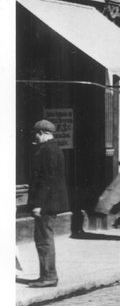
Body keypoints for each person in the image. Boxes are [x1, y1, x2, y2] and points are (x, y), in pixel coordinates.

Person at [25, 119, 69, 288]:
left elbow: (47, 180)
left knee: (44, 239)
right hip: (49, 202)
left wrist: (39, 204)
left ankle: (49, 276)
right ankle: (46, 274)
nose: (34, 136)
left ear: (42, 133)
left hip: (46, 203)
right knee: (43, 238)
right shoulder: (52, 148)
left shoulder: (48, 150)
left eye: (35, 133)